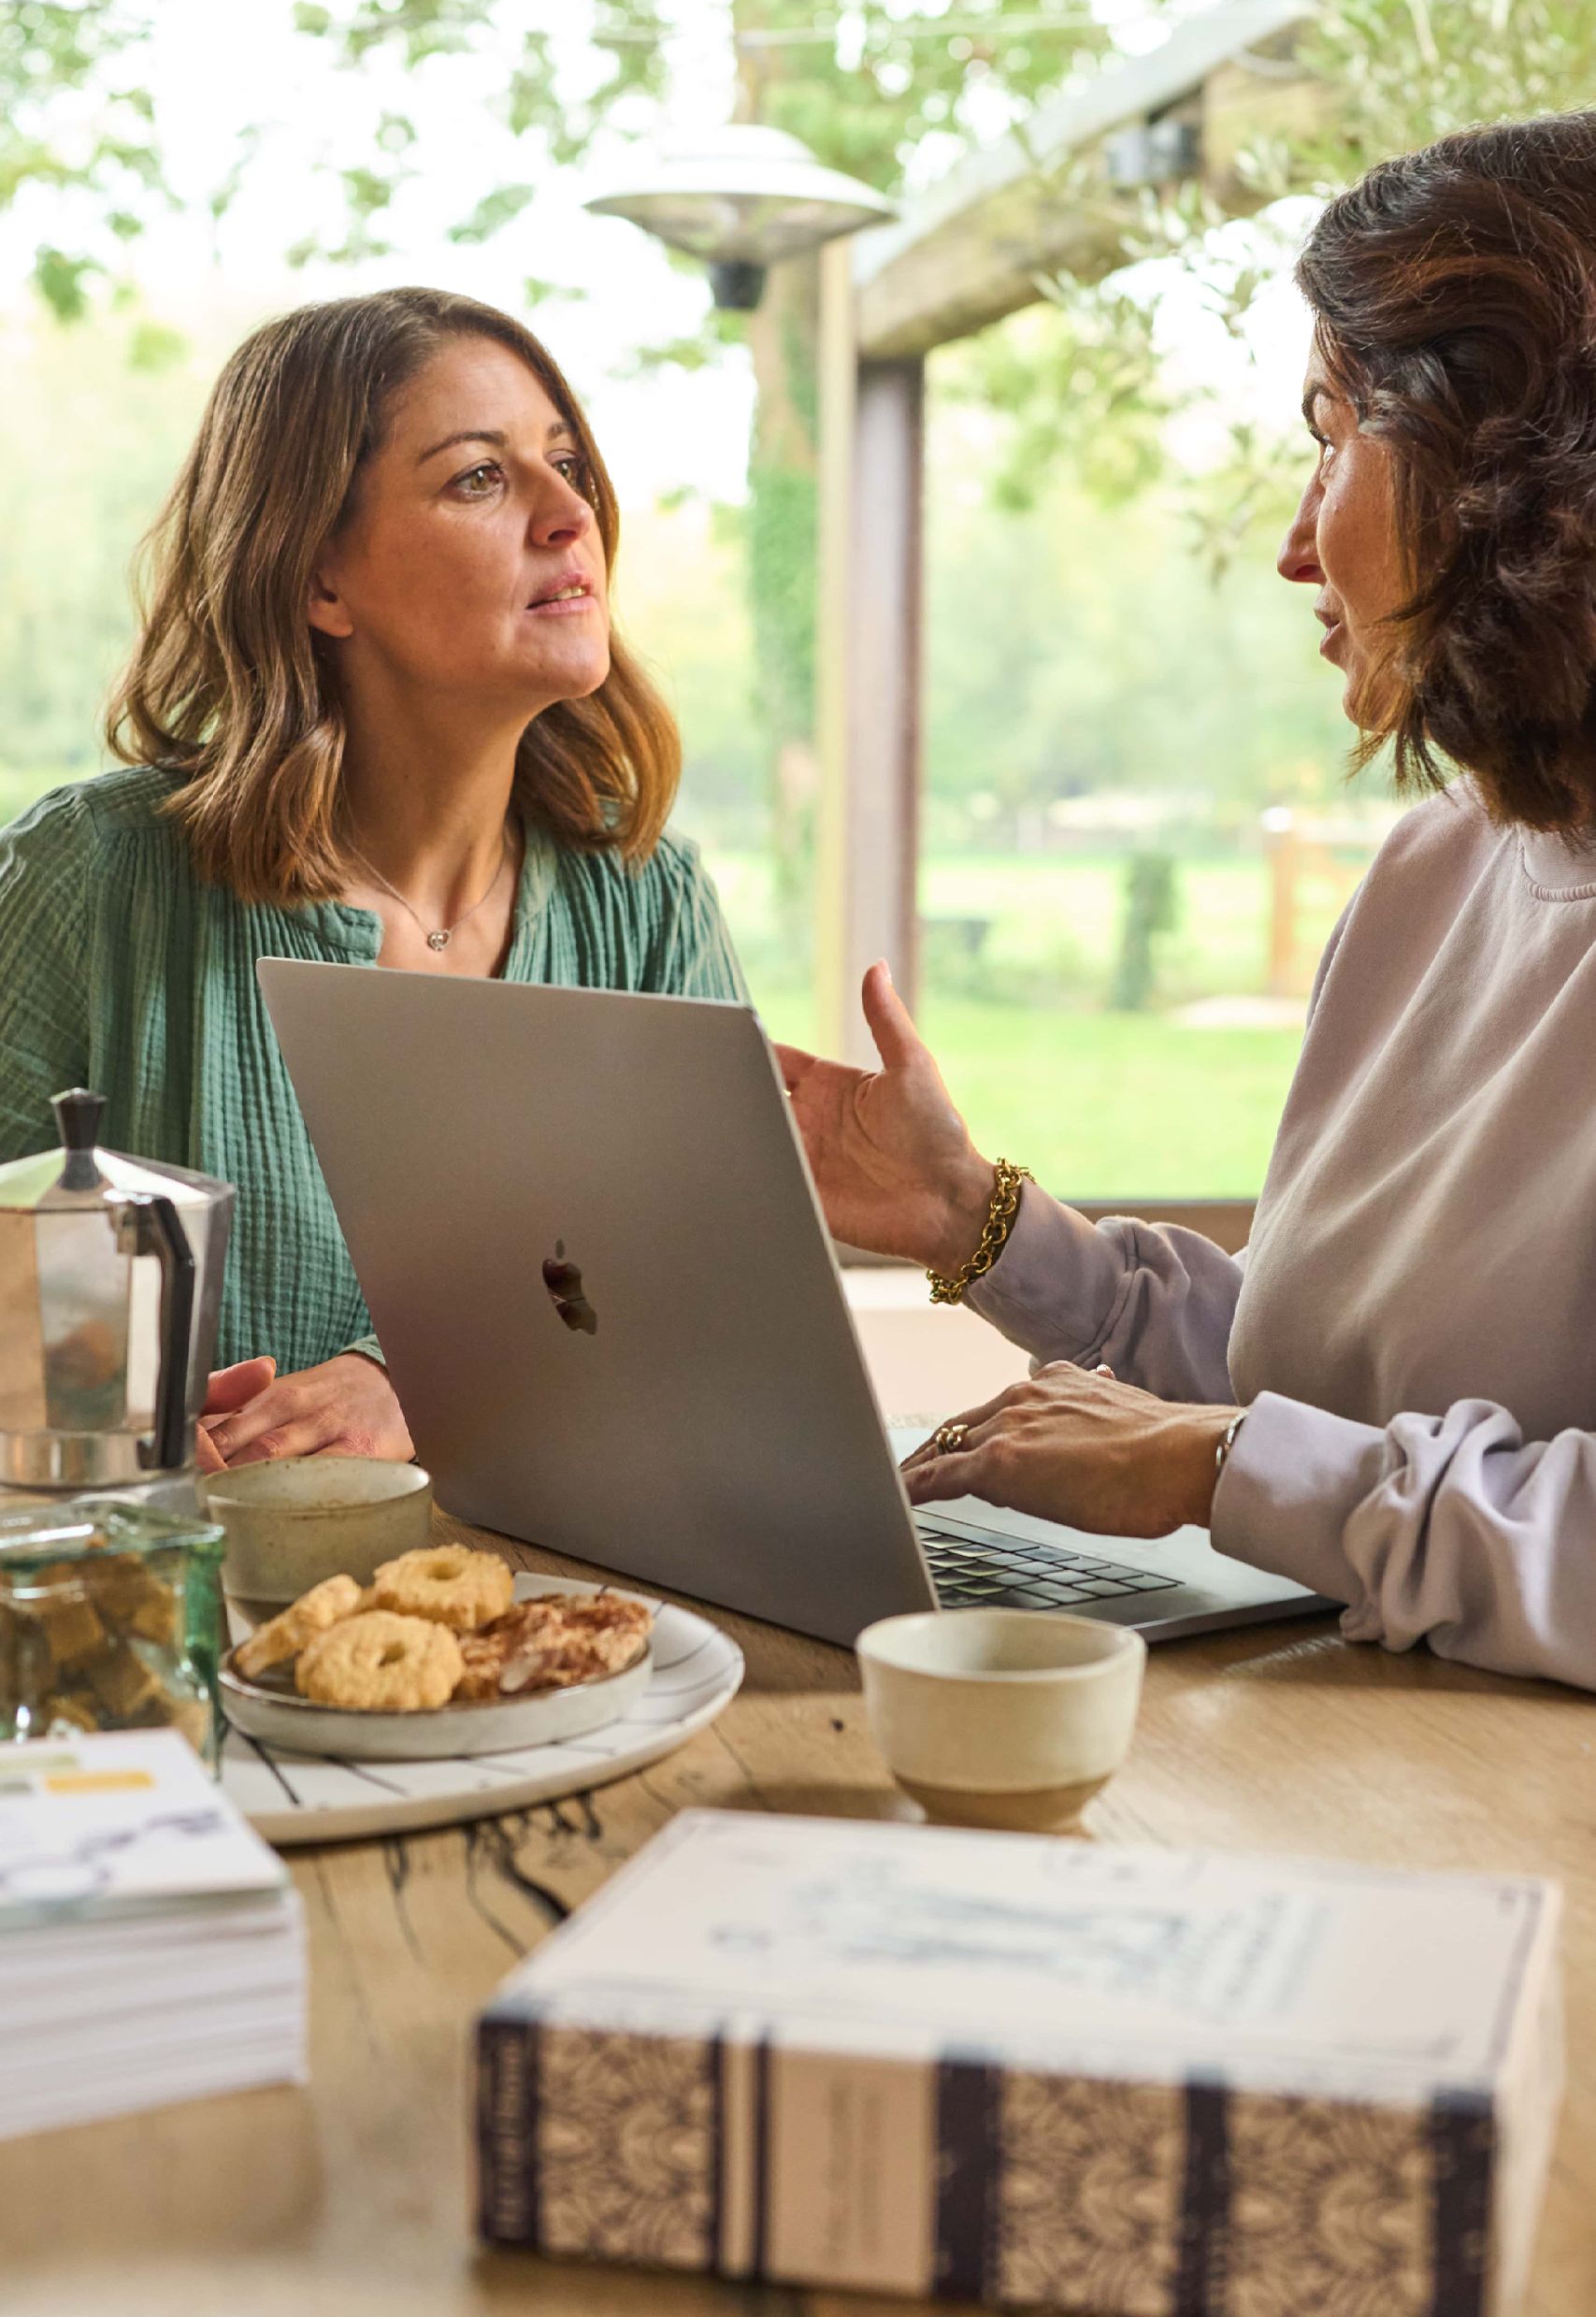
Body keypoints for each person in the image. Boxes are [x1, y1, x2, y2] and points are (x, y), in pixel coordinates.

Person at [781, 110, 1596, 1695]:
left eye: (1332, 432)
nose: (1297, 546)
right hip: (1347, 1756)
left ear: (1509, 470)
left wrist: (1218, 1470)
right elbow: (1324, 1391)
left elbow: (1274, 1453)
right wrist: (977, 1226)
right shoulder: (1437, 867)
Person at [0, 287, 743, 1468]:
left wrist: (419, 1376)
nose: (569, 515)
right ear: (318, 580)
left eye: (566, 463)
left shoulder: (651, 905)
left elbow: (710, 1302)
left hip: (567, 1625)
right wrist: (93, 1427)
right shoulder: (91, 880)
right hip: (167, 1617)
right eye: (478, 479)